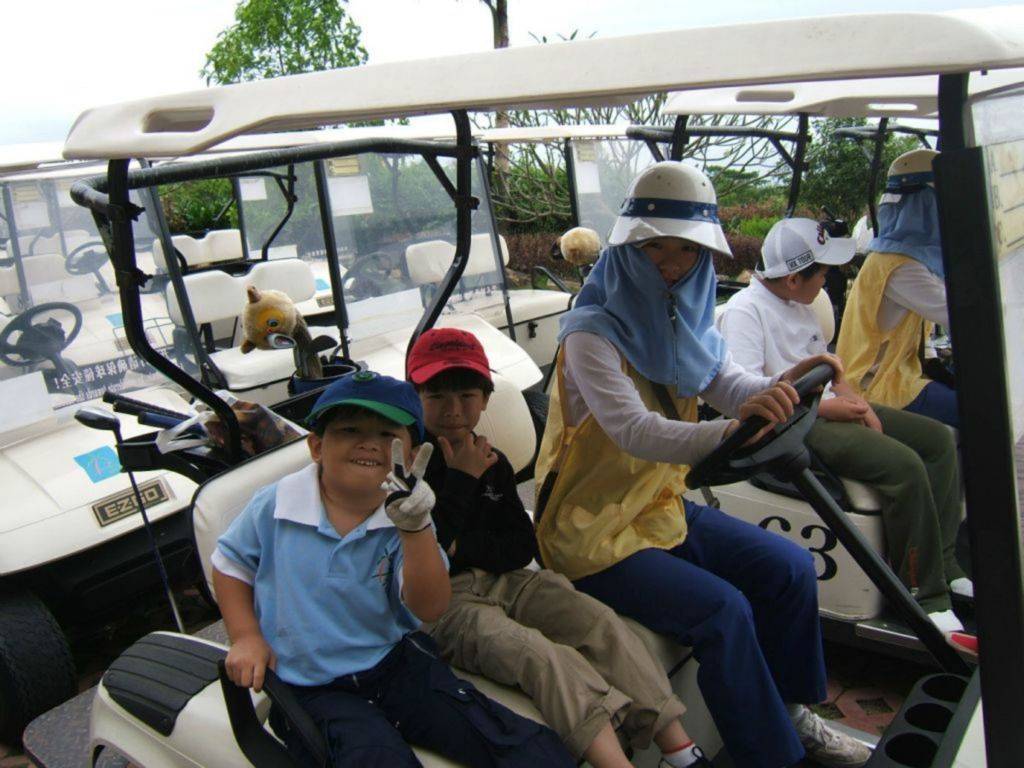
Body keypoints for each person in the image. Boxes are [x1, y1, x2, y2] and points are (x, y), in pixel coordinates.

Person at [534, 161, 872, 768]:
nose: (670, 264)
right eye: (655, 248)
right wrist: (729, 430)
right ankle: (773, 757)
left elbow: (725, 382)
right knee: (725, 610)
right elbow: (634, 429)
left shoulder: (681, 320)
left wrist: (781, 386)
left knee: (790, 568)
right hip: (591, 530)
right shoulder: (591, 334)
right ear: (628, 248)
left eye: (686, 250)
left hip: (655, 508)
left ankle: (793, 713)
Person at [212, 370, 573, 768]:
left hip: (395, 662)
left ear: (413, 456)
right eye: (349, 430)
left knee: (515, 742)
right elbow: (231, 565)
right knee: (375, 758)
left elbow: (430, 607)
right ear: (316, 446)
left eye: (388, 435)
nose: (369, 442)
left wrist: (415, 530)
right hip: (311, 685)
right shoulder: (275, 504)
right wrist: (245, 636)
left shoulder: (410, 513)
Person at [407, 327, 709, 768]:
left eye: (466, 395)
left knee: (597, 621)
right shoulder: (407, 466)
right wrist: (462, 482)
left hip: (510, 580)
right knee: (539, 655)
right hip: (445, 603)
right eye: (436, 396)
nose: (453, 409)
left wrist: (461, 546)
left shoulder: (494, 462)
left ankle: (681, 751)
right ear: (414, 396)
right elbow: (428, 552)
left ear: (486, 399)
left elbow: (518, 547)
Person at [718, 217, 974, 632]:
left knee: (938, 440)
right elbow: (749, 401)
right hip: (790, 425)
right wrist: (833, 409)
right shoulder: (745, 313)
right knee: (904, 466)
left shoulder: (800, 305)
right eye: (822, 272)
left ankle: (944, 562)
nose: (827, 279)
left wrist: (857, 402)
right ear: (793, 279)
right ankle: (925, 594)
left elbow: (830, 369)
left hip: (823, 407)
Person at [836, 148, 958, 428]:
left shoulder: (907, 257)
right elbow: (962, 316)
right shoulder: (900, 267)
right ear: (924, 206)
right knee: (982, 410)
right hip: (879, 385)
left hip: (904, 373)